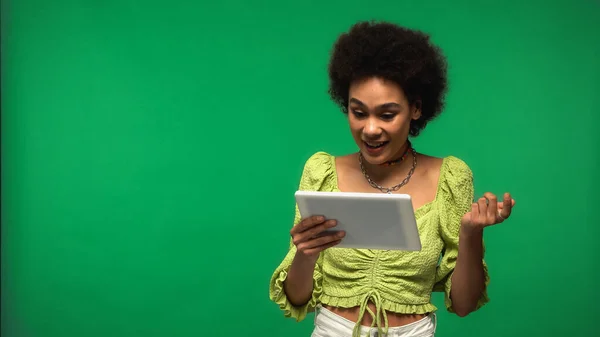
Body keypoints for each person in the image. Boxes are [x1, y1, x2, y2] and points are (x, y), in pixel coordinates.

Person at [269, 20, 515, 337]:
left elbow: (464, 304)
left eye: (387, 114)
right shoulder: (321, 171)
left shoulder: (450, 177)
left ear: (415, 109)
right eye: (359, 112)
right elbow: (296, 298)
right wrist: (306, 252)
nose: (370, 129)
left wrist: (470, 234)